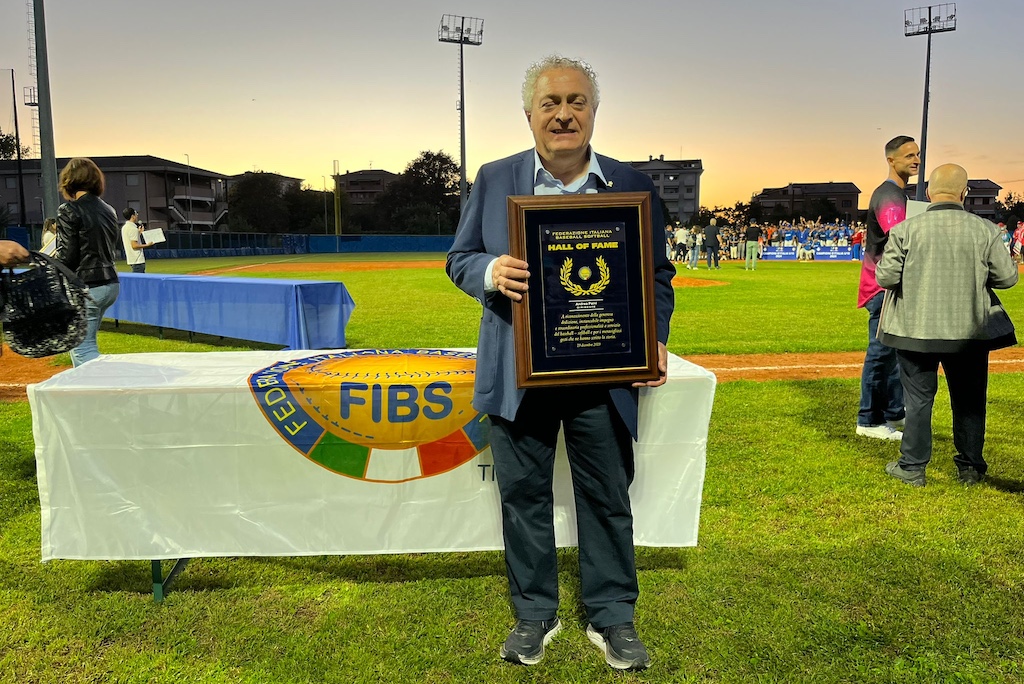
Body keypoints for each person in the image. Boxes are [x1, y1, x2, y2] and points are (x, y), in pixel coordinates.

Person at [446, 55, 675, 671]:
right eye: (551, 104)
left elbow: (656, 275)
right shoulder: (495, 180)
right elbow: (459, 258)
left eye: (576, 102)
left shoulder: (631, 183)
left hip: (603, 373)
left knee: (606, 494)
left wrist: (654, 336)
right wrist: (491, 271)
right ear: (530, 115)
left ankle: (612, 614)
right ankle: (533, 614)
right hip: (520, 373)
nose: (564, 114)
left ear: (594, 112)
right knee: (522, 495)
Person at [876, 164, 1018, 487]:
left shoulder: (907, 230)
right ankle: (969, 468)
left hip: (914, 331)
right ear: (964, 193)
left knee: (918, 401)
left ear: (928, 193)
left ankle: (912, 467)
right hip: (968, 332)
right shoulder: (985, 230)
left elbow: (885, 277)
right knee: (969, 401)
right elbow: (1008, 277)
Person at [855, 135, 917, 441]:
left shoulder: (898, 194)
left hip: (887, 285)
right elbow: (899, 238)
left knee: (893, 352)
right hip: (882, 287)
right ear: (891, 160)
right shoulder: (889, 195)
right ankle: (869, 420)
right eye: (908, 156)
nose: (915, 160)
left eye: (917, 154)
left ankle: (894, 411)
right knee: (881, 353)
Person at [53, 157, 120, 367]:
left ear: (68, 181)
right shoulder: (109, 210)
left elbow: (68, 257)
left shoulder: (68, 210)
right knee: (84, 344)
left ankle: (101, 394)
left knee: (83, 349)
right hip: (110, 283)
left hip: (87, 286)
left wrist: (49, 262)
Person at [121, 208, 151, 273]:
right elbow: (134, 245)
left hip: (132, 259)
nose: (137, 215)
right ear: (132, 216)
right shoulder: (133, 229)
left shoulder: (125, 227)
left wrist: (139, 233)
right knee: (140, 282)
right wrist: (147, 245)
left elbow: (131, 240)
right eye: (136, 214)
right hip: (137, 260)